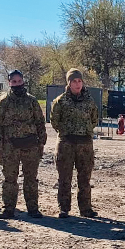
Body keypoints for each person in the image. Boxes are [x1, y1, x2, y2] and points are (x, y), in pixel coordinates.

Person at [0, 70, 47, 219]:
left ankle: (33, 209)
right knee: (10, 179)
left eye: (19, 81)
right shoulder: (3, 101)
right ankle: (8, 209)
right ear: (9, 83)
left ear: (23, 81)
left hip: (30, 145)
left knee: (31, 179)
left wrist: (41, 142)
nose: (17, 84)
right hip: (10, 147)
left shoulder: (32, 101)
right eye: (14, 81)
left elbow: (40, 122)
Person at [49, 69, 97, 218]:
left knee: (85, 178)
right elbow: (54, 121)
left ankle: (85, 209)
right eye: (74, 81)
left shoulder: (89, 101)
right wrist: (67, 132)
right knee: (64, 178)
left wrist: (84, 130)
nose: (77, 84)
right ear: (69, 83)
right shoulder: (60, 101)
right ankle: (64, 208)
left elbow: (94, 119)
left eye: (79, 81)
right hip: (66, 144)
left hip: (85, 144)